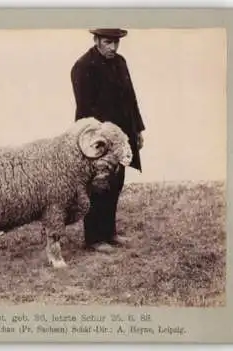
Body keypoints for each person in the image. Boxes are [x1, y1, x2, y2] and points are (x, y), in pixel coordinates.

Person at [70, 28, 146, 253]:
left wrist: (137, 130)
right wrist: (99, 140)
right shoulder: (83, 66)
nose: (112, 47)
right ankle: (94, 239)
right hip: (98, 139)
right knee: (98, 185)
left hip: (121, 136)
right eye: (107, 42)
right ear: (96, 40)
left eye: (115, 43)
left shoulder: (120, 62)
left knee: (116, 183)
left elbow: (131, 99)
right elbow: (85, 110)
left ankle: (110, 232)